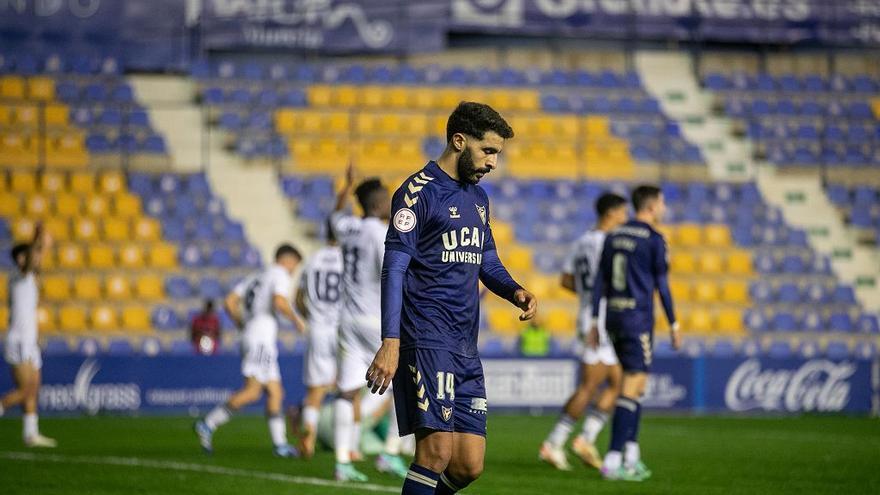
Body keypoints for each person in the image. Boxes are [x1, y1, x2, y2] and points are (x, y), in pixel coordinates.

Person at [366, 101, 538, 495]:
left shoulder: (477, 199)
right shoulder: (416, 193)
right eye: (488, 151)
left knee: (467, 466)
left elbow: (487, 260)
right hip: (425, 339)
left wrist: (515, 290)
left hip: (464, 345)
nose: (493, 163)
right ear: (459, 141)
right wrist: (390, 342)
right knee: (435, 454)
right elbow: (394, 269)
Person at [591, 185, 680, 481]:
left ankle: (631, 456)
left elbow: (599, 281)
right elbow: (662, 286)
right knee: (632, 385)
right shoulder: (654, 239)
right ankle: (613, 461)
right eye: (663, 202)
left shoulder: (614, 234)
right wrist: (674, 323)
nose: (665, 208)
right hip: (637, 319)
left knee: (635, 385)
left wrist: (594, 320)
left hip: (612, 318)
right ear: (652, 206)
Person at [330, 165, 409, 481]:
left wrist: (345, 189)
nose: (394, 205)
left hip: (347, 319)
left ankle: (341, 463)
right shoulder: (381, 234)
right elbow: (391, 275)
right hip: (376, 320)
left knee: (347, 392)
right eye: (389, 201)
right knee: (405, 384)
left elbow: (333, 219)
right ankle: (390, 453)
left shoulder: (348, 227)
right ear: (378, 205)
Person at [540, 192, 628, 470]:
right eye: (623, 212)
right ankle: (554, 443)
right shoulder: (611, 242)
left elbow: (566, 280)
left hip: (591, 315)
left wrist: (589, 295)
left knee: (619, 382)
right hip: (600, 321)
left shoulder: (581, 241)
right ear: (611, 213)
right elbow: (615, 282)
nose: (625, 218)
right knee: (590, 385)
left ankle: (585, 438)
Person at [195, 244, 305, 457]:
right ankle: (208, 424)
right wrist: (296, 320)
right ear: (287, 260)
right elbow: (279, 301)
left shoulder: (256, 276)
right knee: (253, 391)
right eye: (295, 265)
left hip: (254, 336)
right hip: (261, 339)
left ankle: (280, 445)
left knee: (275, 392)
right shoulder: (279, 274)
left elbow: (229, 302)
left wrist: (242, 324)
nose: (293, 270)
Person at [0, 224, 56, 447]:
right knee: (25, 390)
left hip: (29, 341)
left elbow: (38, 261)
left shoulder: (30, 278)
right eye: (26, 255)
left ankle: (30, 434)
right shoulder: (18, 277)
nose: (32, 259)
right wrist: (37, 239)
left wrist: (43, 246)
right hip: (19, 341)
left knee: (33, 389)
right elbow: (35, 260)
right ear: (19, 259)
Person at [294, 223, 343, 458]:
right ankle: (349, 447)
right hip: (342, 328)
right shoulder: (348, 258)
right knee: (349, 388)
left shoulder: (312, 260)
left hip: (318, 328)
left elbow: (298, 298)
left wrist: (311, 316)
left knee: (315, 388)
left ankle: (310, 437)